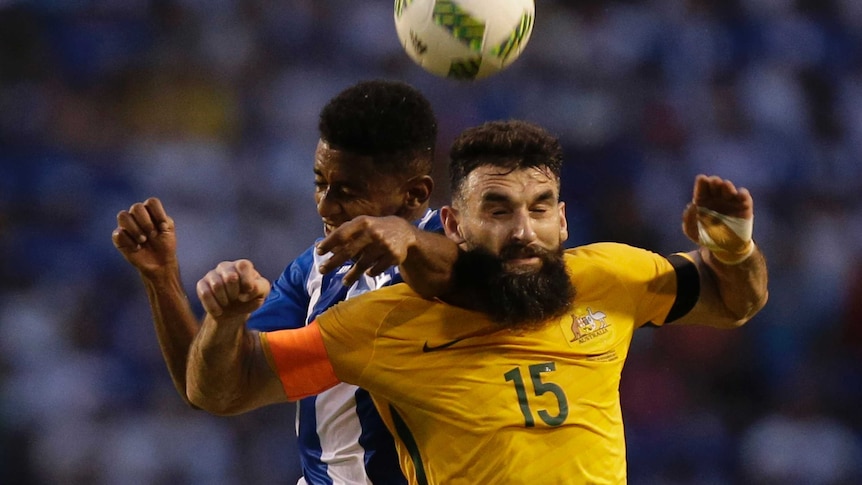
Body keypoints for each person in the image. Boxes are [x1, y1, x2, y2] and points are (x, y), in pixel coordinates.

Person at [185, 120, 769, 483]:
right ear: (453, 224)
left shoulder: (611, 276)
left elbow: (733, 301)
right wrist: (225, 321)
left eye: (540, 208)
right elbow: (226, 388)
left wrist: (733, 245)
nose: (523, 230)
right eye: (497, 210)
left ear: (563, 221)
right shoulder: (384, 324)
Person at [112, 80, 458, 484]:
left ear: (415, 194)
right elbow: (215, 389)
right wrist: (172, 286)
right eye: (319, 184)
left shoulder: (462, 260)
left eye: (348, 191)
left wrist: (412, 241)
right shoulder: (314, 269)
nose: (325, 205)